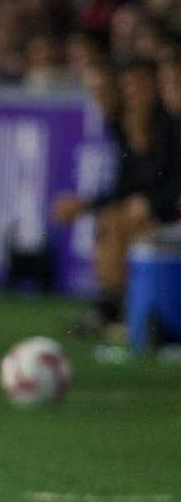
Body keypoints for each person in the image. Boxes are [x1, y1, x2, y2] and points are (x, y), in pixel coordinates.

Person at [52, 61, 179, 344]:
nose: (135, 94)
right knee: (110, 219)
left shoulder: (169, 125)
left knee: (120, 221)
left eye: (141, 86)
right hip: (144, 211)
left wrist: (151, 204)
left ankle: (121, 312)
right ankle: (113, 308)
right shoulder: (125, 128)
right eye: (129, 88)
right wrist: (84, 205)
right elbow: (123, 187)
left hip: (165, 211)